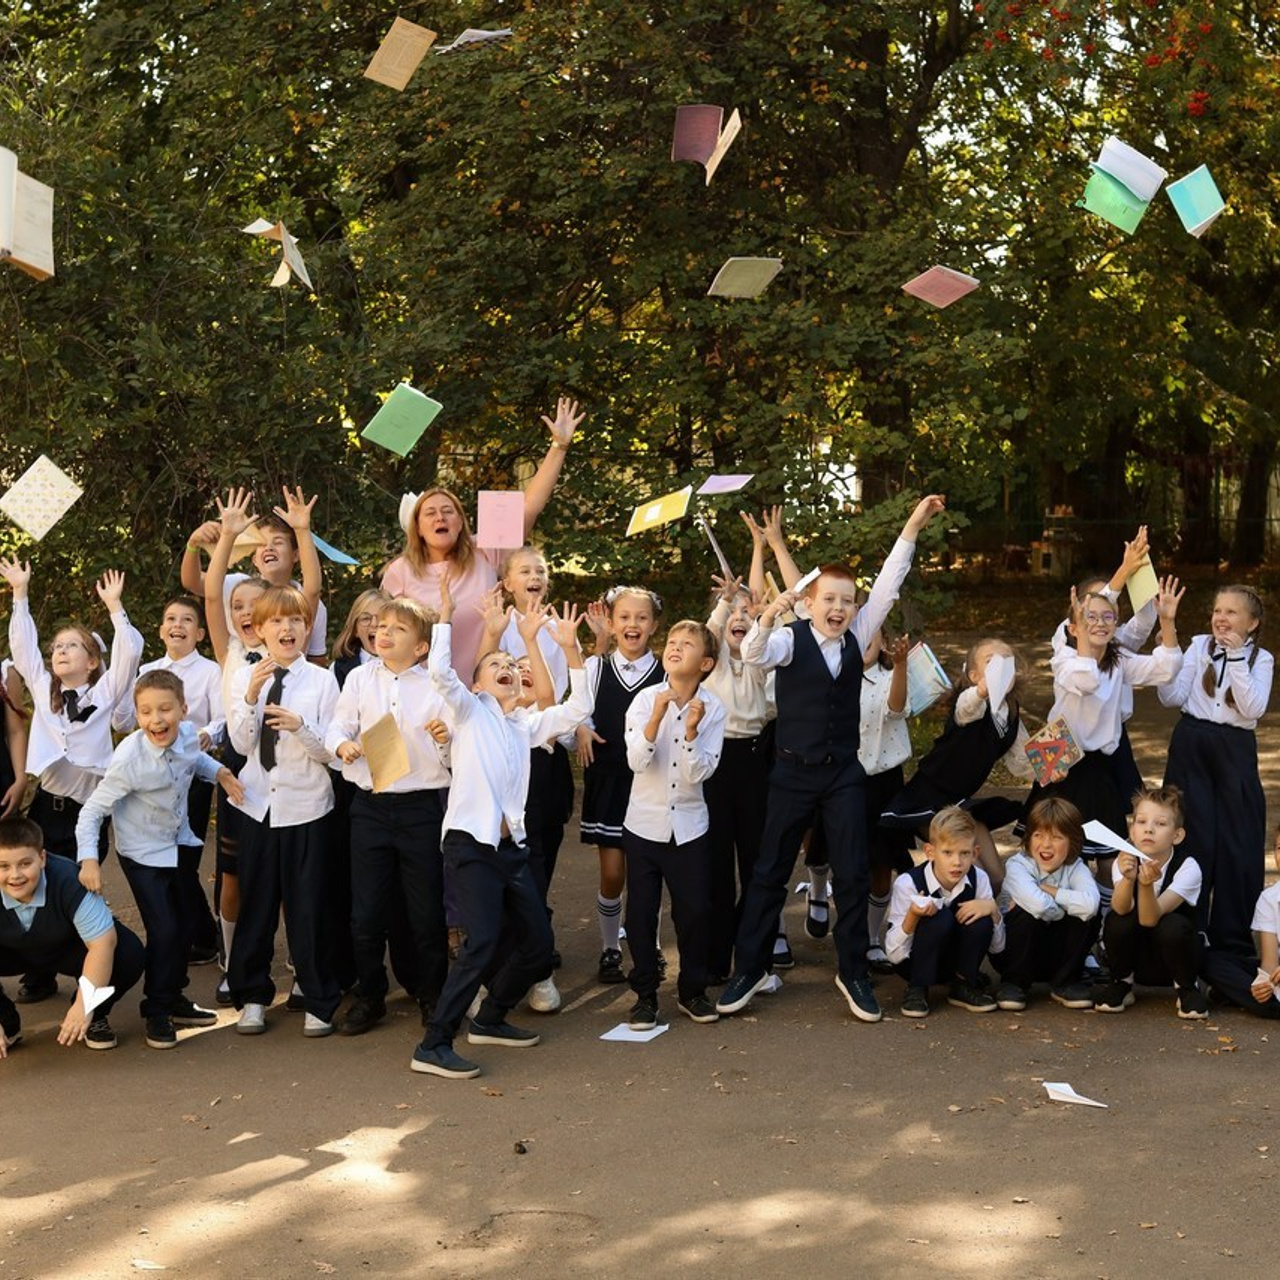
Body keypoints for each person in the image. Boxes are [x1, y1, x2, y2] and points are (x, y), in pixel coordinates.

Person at [716, 494, 947, 1023]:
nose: (839, 609)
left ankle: (854, 973)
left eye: (847, 601)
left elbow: (889, 582)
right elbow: (752, 654)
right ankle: (749, 968)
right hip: (791, 772)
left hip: (844, 774)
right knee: (769, 871)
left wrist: (912, 522)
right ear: (811, 602)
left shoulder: (859, 635)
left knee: (852, 873)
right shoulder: (790, 639)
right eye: (830, 601)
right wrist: (770, 613)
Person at [411, 580, 592, 1080]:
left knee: (538, 945)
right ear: (478, 686)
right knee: (483, 942)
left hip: (512, 850)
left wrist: (571, 648)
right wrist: (445, 615)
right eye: (497, 667)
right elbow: (441, 674)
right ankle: (434, 1043)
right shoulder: (470, 712)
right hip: (470, 846)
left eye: (513, 667)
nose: (509, 671)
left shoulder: (525, 726)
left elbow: (577, 710)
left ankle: (490, 1019)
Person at [0, 556, 143, 1005]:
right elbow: (24, 651)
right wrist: (20, 594)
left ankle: (87, 968)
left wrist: (116, 608)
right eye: (56, 646)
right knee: (33, 886)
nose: (60, 652)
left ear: (92, 659)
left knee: (77, 890)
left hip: (89, 810)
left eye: (71, 646)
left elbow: (130, 654)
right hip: (48, 805)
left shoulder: (103, 692)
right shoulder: (45, 692)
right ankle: (39, 973)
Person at [75, 670, 244, 1049]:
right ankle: (156, 1010)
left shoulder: (186, 736)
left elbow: (195, 759)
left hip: (177, 842)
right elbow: (92, 812)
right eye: (147, 712)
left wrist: (222, 773)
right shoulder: (129, 760)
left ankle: (174, 994)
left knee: (186, 926)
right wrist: (89, 860)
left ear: (183, 710)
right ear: (137, 716)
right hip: (142, 853)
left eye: (166, 709)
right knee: (165, 928)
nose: (157, 719)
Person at [204, 486, 321, 1006]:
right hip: (243, 770)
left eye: (255, 605)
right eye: (238, 607)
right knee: (243, 880)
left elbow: (310, 593)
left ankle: (304, 975)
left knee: (301, 892)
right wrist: (228, 535)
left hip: (297, 778)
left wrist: (300, 531)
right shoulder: (232, 652)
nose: (246, 613)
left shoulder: (294, 649)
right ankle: (241, 972)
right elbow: (209, 595)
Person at [382, 397, 585, 684]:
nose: (440, 517)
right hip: (422, 693)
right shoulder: (399, 571)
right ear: (417, 527)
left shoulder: (486, 549)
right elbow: (383, 635)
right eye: (430, 513)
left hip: (483, 695)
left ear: (461, 521)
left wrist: (559, 446)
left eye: (448, 511)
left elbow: (530, 506)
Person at [326, 597, 452, 1035]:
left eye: (397, 629)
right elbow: (338, 726)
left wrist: (444, 738)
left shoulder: (438, 684)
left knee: (425, 910)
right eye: (380, 626)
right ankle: (371, 995)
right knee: (366, 911)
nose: (383, 633)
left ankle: (434, 996)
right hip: (371, 808)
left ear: (420, 647)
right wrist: (342, 745)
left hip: (421, 808)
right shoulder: (360, 679)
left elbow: (456, 751)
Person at [226, 584, 341, 1037]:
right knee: (256, 905)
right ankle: (252, 996)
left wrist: (301, 726)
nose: (286, 628)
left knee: (309, 907)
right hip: (258, 806)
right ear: (259, 629)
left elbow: (329, 752)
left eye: (295, 620)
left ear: (307, 627)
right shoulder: (244, 675)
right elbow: (239, 744)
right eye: (276, 621)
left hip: (307, 805)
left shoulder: (322, 679)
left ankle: (318, 997)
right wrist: (251, 698)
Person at [1027, 579, 1183, 889]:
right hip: (1061, 758)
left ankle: (1107, 920)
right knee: (1059, 850)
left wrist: (1166, 621)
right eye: (1089, 617)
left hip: (1099, 763)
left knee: (1110, 854)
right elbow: (1086, 680)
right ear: (1073, 628)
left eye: (1108, 617)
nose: (1099, 623)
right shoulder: (1065, 659)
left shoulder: (1119, 661)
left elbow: (1166, 669)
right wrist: (1121, 576)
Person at [477, 546, 576, 1011]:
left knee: (539, 867)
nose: (535, 575)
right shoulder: (496, 624)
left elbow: (556, 698)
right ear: (507, 583)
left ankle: (538, 964)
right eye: (524, 570)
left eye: (541, 569)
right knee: (508, 867)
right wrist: (496, 634)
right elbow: (479, 686)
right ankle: (508, 969)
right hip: (505, 756)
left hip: (546, 752)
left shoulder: (559, 630)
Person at [622, 620, 726, 1029]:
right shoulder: (644, 699)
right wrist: (656, 719)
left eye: (688, 644)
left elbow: (699, 774)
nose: (675, 647)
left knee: (696, 910)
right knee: (641, 914)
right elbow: (636, 761)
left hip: (689, 827)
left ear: (705, 663)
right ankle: (645, 994)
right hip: (643, 824)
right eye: (672, 642)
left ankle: (692, 991)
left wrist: (691, 731)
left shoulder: (714, 709)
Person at [1159, 585, 1272, 955]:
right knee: (1191, 837)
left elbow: (1252, 707)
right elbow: (1171, 697)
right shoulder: (1198, 645)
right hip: (1191, 743)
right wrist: (1168, 655)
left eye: (1232, 612)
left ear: (1252, 623)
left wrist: (1236, 658)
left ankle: (1232, 943)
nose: (1221, 618)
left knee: (1238, 843)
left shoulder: (1262, 659)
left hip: (1234, 750)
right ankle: (1187, 933)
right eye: (1217, 610)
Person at [113, 595, 225, 964]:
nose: (178, 625)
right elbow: (126, 719)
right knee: (162, 859)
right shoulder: (147, 670)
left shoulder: (210, 671)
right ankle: (184, 933)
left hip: (193, 773)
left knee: (184, 861)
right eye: (171, 618)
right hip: (152, 779)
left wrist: (205, 735)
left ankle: (203, 935)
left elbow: (221, 718)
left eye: (187, 620)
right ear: (161, 629)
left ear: (200, 632)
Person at [880, 638, 1032, 894]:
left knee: (996, 877)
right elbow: (966, 707)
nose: (1001, 668)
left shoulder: (1012, 712)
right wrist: (982, 691)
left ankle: (998, 925)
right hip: (927, 799)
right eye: (991, 662)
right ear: (974, 675)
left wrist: (1050, 771)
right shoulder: (969, 703)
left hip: (961, 803)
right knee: (973, 875)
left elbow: (1024, 762)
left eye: (1007, 662)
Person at [577, 586, 666, 983]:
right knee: (614, 874)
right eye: (625, 617)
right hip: (610, 783)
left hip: (652, 784)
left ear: (654, 625)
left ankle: (652, 946)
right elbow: (574, 712)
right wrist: (579, 726)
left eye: (642, 617)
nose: (633, 624)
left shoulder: (667, 672)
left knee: (650, 875)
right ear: (611, 624)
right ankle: (611, 947)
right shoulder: (594, 668)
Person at [0, 816, 145, 1054]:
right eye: (3, 866)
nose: (15, 875)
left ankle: (94, 1016)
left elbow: (102, 944)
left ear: (42, 858)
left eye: (25, 863)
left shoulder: (70, 880)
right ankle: (6, 1022)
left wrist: (84, 1003)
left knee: (128, 953)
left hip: (66, 949)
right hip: (9, 952)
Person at [1094, 785, 1206, 1019]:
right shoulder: (1123, 860)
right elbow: (1121, 908)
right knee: (1116, 920)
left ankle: (1186, 988)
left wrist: (1145, 886)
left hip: (1175, 959)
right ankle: (1122, 982)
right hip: (1138, 958)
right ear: (1132, 831)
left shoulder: (1188, 867)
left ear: (1177, 835)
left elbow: (1150, 919)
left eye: (1161, 824)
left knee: (1171, 924)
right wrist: (1127, 879)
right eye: (1142, 822)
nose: (1149, 830)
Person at [883, 806, 1003, 1017]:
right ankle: (918, 988)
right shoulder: (908, 883)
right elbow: (893, 955)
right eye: (947, 852)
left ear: (975, 853)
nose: (956, 862)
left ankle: (963, 983)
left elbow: (997, 948)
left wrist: (993, 911)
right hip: (913, 962)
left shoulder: (979, 879)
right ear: (930, 852)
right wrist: (912, 916)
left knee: (982, 918)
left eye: (964, 853)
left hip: (954, 962)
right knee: (940, 919)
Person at [182, 505, 331, 663]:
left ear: (296, 555)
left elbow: (312, 590)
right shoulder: (239, 588)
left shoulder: (291, 651)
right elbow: (202, 588)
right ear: (254, 560)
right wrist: (198, 544)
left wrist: (302, 530)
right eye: (261, 544)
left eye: (278, 542)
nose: (269, 548)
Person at [995, 797, 1100, 1011]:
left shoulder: (1077, 867)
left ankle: (1065, 982)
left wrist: (1051, 891)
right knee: (1025, 913)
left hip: (1056, 956)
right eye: (1038, 835)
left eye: (1057, 837)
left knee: (1089, 915)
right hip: (1016, 955)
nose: (1046, 844)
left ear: (1072, 841)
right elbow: (1039, 906)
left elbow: (1090, 906)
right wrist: (1067, 904)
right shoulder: (1017, 865)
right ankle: (1014, 983)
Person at [1202, 822, 1280, 1019]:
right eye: (1279, 848)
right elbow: (1270, 961)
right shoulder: (1269, 898)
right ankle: (1255, 999)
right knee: (1208, 960)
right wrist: (1263, 985)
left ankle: (1235, 995)